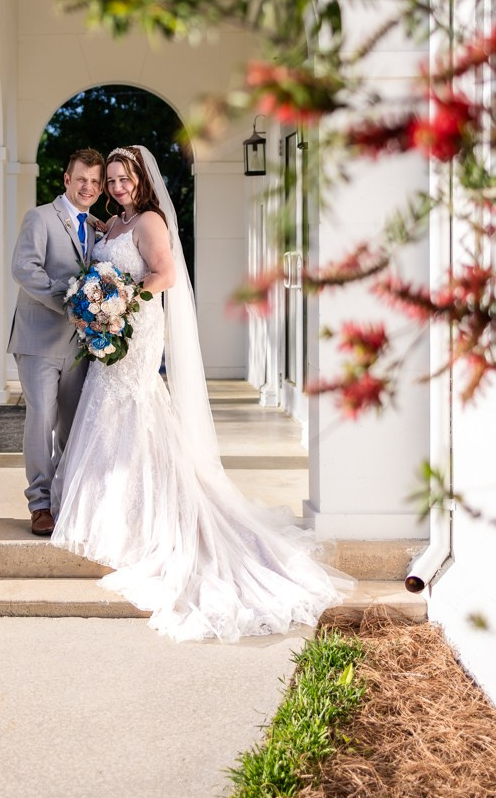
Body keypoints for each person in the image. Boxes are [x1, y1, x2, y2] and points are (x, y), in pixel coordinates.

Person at [51, 144, 350, 640]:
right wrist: (99, 300)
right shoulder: (117, 223)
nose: (118, 186)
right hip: (114, 329)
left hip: (136, 328)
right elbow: (107, 266)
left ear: (142, 179)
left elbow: (164, 274)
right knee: (106, 408)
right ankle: (108, 510)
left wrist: (121, 302)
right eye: (113, 180)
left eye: (126, 178)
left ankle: (146, 521)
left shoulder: (148, 221)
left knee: (137, 406)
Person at [7, 148, 105, 536]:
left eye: (96, 182)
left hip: (80, 346)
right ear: (67, 179)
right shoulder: (40, 217)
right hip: (38, 340)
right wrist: (69, 302)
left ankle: (65, 497)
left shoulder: (98, 227)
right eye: (82, 179)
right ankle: (40, 504)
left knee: (72, 425)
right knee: (42, 420)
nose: (89, 187)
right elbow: (24, 268)